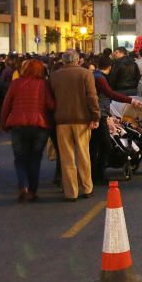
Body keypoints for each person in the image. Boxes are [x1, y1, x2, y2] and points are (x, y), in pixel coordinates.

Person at [0, 58, 55, 202]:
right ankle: (32, 190)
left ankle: (22, 186)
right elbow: (50, 105)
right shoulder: (44, 84)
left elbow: (6, 104)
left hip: (18, 125)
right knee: (35, 158)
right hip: (39, 125)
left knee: (20, 158)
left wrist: (3, 123)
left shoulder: (16, 83)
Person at [50, 49, 100, 201]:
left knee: (67, 157)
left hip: (62, 120)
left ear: (63, 61)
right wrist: (95, 116)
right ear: (78, 60)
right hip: (82, 120)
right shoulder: (86, 74)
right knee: (84, 154)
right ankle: (87, 187)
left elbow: (51, 98)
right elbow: (92, 97)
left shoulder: (54, 76)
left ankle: (71, 192)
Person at [91, 55, 137, 183]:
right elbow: (110, 94)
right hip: (100, 115)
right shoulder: (100, 78)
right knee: (105, 145)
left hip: (98, 114)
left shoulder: (94, 76)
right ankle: (98, 174)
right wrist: (131, 100)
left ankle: (94, 173)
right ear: (110, 67)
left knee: (94, 145)